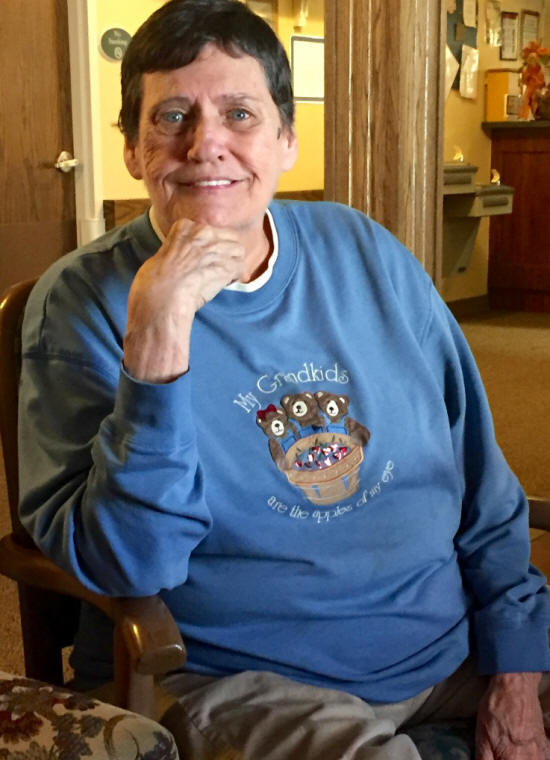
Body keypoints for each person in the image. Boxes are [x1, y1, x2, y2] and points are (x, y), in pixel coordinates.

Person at [16, 1, 550, 757]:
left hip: (447, 649)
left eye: (239, 113)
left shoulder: (369, 253)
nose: (207, 145)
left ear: (286, 140)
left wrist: (517, 664)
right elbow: (131, 564)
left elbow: (480, 478)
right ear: (133, 150)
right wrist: (158, 338)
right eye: (172, 116)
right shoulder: (80, 303)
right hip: (234, 678)